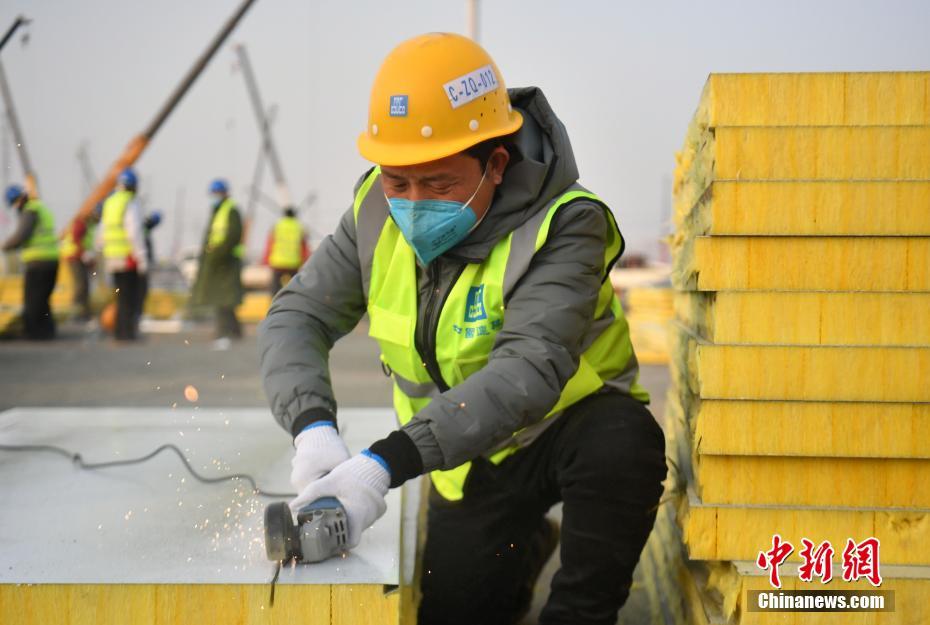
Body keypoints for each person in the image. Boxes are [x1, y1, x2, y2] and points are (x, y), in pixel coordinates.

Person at [258, 33, 667, 625]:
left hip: (562, 429)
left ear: (495, 165)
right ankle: (521, 549)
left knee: (623, 444)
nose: (413, 203)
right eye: (399, 182)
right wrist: (312, 429)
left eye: (440, 184)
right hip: (465, 457)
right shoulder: (375, 211)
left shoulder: (567, 223)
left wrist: (381, 465)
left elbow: (529, 369)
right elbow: (298, 315)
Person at [190, 179, 244, 347]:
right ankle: (234, 331)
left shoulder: (231, 210)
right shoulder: (217, 210)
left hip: (226, 262)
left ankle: (225, 332)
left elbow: (232, 236)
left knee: (223, 298)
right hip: (217, 261)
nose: (215, 196)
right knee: (223, 298)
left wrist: (217, 254)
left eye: (217, 193)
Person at [2, 185, 59, 340]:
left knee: (33, 300)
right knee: (42, 299)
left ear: (18, 200)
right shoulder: (40, 207)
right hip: (50, 260)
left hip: (38, 262)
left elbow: (21, 235)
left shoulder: (30, 211)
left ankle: (36, 334)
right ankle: (47, 332)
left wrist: (5, 245)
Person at [98, 168, 147, 341]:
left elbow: (101, 233)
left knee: (119, 296)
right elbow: (134, 233)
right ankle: (127, 333)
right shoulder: (129, 203)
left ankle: (119, 332)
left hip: (112, 258)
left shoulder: (110, 202)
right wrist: (141, 258)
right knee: (129, 297)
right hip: (128, 258)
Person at [262, 206, 309, 295]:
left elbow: (270, 244)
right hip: (293, 263)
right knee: (295, 288)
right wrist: (305, 261)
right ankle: (293, 303)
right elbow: (304, 247)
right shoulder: (299, 227)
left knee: (275, 287)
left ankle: (274, 304)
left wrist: (266, 259)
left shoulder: (277, 226)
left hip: (278, 262)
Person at [61, 211, 97, 321]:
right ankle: (77, 312)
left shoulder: (88, 224)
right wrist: (84, 255)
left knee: (84, 284)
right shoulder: (81, 223)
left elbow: (85, 242)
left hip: (79, 256)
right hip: (74, 256)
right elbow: (76, 239)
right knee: (80, 285)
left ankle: (84, 312)